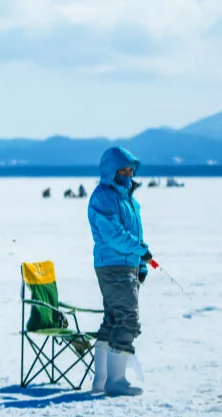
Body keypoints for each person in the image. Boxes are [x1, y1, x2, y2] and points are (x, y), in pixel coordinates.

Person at [87, 146, 151, 397]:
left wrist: (141, 264)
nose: (127, 173)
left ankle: (101, 380)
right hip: (113, 264)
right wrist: (140, 250)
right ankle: (116, 380)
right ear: (110, 170)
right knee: (128, 319)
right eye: (122, 169)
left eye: (130, 169)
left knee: (113, 318)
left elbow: (137, 235)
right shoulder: (104, 196)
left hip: (126, 264)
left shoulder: (129, 199)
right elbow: (113, 234)